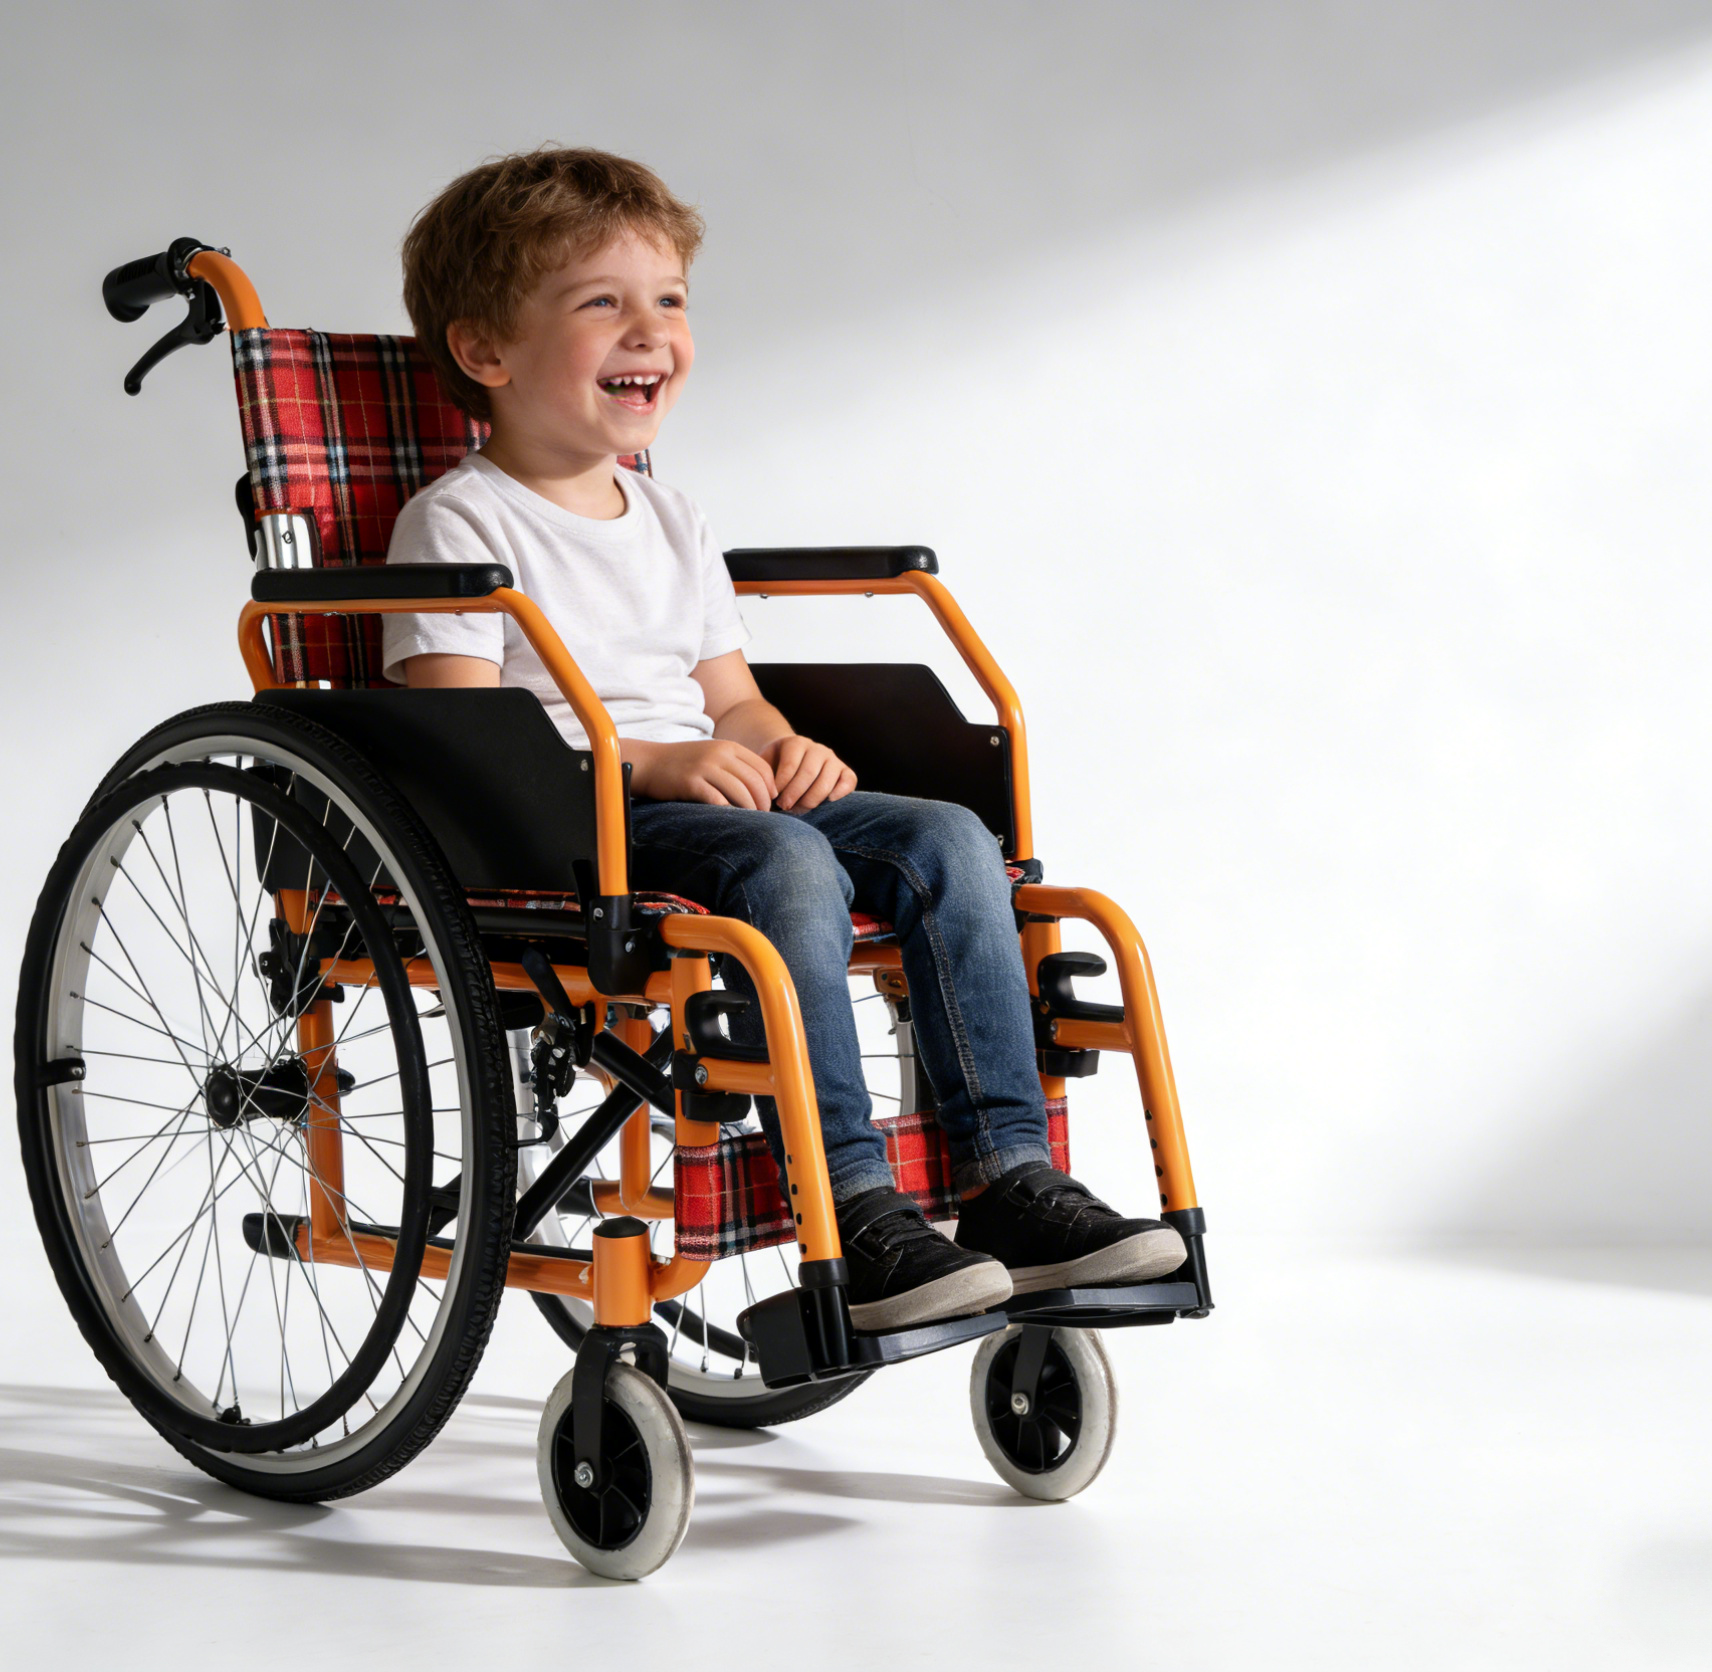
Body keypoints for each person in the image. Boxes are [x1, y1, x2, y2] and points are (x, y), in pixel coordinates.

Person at [381, 147, 1183, 1330]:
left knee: (952, 838)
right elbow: (461, 739)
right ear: (487, 352)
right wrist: (651, 764)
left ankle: (1010, 1177)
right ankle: (853, 1203)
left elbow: (732, 697)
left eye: (668, 302)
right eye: (602, 302)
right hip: (575, 829)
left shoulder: (670, 515)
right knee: (789, 864)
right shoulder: (457, 523)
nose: (648, 330)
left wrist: (781, 744)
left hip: (710, 801)